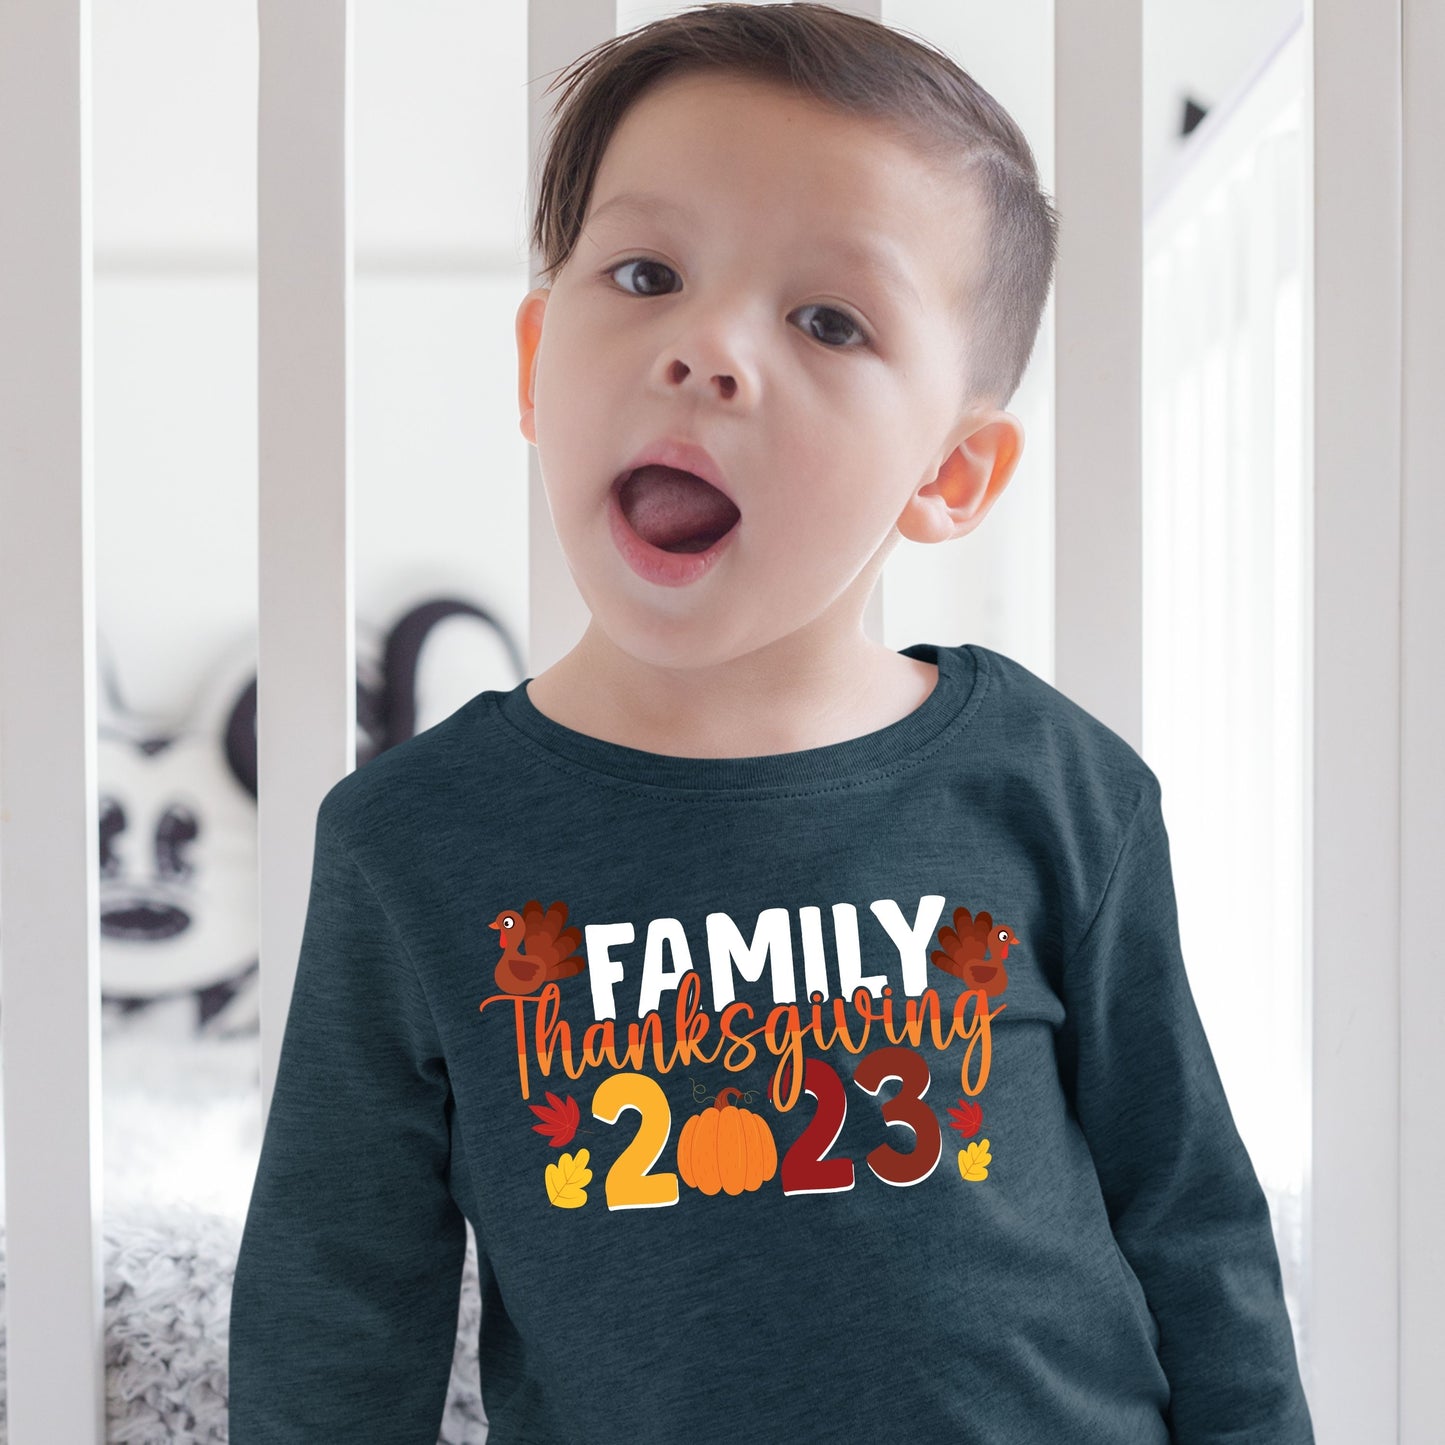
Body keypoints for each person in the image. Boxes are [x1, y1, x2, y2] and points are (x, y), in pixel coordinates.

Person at [227, 5, 1315, 1442]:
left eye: (828, 320)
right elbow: (335, 1302)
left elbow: (1191, 1219)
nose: (708, 350)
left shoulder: (1052, 785)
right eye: (647, 273)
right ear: (535, 364)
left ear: (950, 473)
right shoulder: (413, 840)